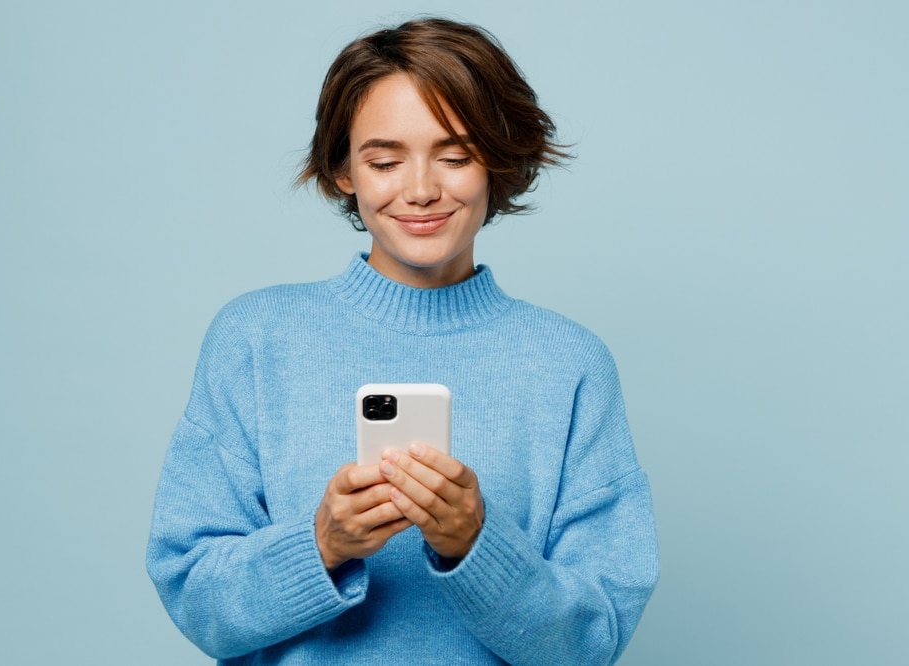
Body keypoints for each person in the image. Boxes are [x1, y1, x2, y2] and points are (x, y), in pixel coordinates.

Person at [147, 17, 658, 665]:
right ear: (342, 171)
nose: (420, 190)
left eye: (455, 156)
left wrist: (475, 543)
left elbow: (591, 643)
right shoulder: (254, 339)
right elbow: (194, 595)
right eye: (385, 161)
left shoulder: (569, 363)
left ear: (497, 164)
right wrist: (321, 544)